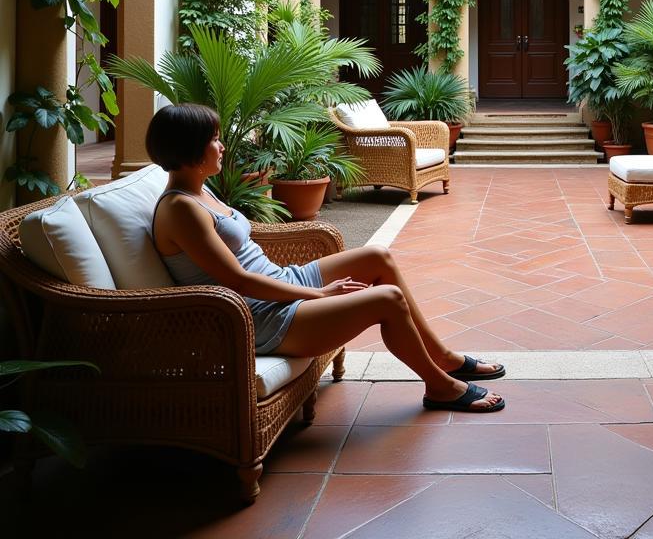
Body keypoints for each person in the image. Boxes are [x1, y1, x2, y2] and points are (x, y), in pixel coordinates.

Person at [146, 103, 504, 413]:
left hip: (281, 283)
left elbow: (245, 248)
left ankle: (443, 358)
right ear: (190, 149)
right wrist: (319, 294)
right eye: (213, 140)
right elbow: (238, 280)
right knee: (387, 300)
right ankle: (439, 386)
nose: (221, 146)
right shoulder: (181, 209)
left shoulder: (198, 189)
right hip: (261, 316)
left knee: (377, 257)